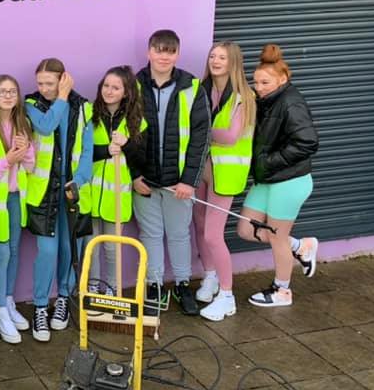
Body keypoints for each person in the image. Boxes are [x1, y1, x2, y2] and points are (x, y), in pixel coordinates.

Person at [132, 30, 210, 316]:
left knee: (178, 235)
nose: (164, 56)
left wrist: (189, 180)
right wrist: (133, 176)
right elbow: (125, 135)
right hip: (145, 181)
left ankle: (181, 284)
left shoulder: (192, 87)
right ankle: (153, 286)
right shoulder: (134, 85)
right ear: (148, 52)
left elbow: (201, 136)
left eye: (170, 51)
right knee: (150, 234)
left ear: (177, 54)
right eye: (158, 49)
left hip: (179, 184)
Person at [238, 44, 319, 308]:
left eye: (265, 82)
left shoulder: (290, 102)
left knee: (277, 238)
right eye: (256, 81)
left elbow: (308, 142)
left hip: (289, 181)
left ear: (282, 80)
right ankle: (300, 246)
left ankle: (282, 290)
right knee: (246, 228)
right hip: (268, 178)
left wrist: (268, 162)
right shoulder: (266, 100)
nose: (258, 87)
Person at [24, 58, 93, 341]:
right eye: (40, 83)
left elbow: (86, 149)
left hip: (72, 193)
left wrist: (80, 179)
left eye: (50, 83)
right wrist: (62, 97)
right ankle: (41, 306)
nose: (43, 88)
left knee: (69, 248)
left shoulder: (85, 108)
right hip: (43, 193)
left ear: (63, 79)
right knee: (48, 252)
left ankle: (63, 298)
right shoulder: (31, 104)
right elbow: (45, 127)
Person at [193, 43, 256, 321]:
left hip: (225, 174)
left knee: (212, 235)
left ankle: (227, 296)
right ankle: (210, 277)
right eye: (212, 56)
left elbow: (230, 136)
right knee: (199, 224)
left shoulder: (243, 97)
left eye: (222, 57)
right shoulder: (202, 90)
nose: (216, 61)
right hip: (202, 170)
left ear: (234, 63)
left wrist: (200, 130)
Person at [0, 74, 35, 343]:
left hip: (14, 198)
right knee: (0, 254)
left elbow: (31, 166)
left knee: (14, 251)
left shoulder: (22, 124)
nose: (8, 96)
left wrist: (25, 153)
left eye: (12, 91)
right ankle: (0, 311)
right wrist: (8, 159)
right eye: (2, 91)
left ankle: (9, 301)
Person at [87, 66, 147, 296]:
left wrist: (127, 144)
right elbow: (82, 153)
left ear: (126, 92)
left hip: (116, 199)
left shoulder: (137, 122)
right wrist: (105, 150)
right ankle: (92, 287)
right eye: (106, 86)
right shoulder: (90, 116)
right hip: (91, 195)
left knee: (112, 249)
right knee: (91, 248)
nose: (109, 91)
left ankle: (112, 290)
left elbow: (142, 160)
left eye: (116, 87)